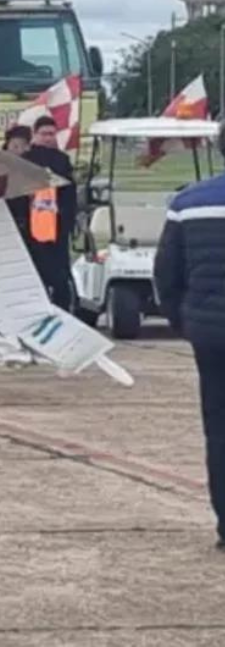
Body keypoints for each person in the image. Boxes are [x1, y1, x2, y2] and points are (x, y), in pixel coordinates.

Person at [154, 121, 225, 553]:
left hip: (209, 332)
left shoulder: (187, 202)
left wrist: (183, 321)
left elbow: (165, 274)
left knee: (218, 430)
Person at [8, 117, 77, 311]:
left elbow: (69, 194)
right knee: (33, 271)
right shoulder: (25, 159)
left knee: (59, 273)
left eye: (52, 134)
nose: (48, 138)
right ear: (35, 135)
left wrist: (68, 222)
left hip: (56, 227)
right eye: (44, 134)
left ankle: (63, 308)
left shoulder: (62, 160)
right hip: (29, 226)